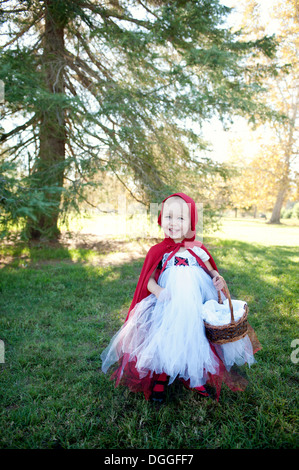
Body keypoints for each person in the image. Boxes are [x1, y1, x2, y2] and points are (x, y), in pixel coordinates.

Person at [101, 193, 261, 402]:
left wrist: (217, 278)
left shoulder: (197, 248)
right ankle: (161, 376)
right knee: (166, 337)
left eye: (181, 218)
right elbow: (147, 280)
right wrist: (158, 291)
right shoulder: (159, 251)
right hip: (168, 303)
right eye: (168, 217)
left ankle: (196, 377)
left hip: (194, 302)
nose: (173, 223)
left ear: (190, 222)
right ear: (160, 218)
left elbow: (212, 270)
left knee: (194, 336)